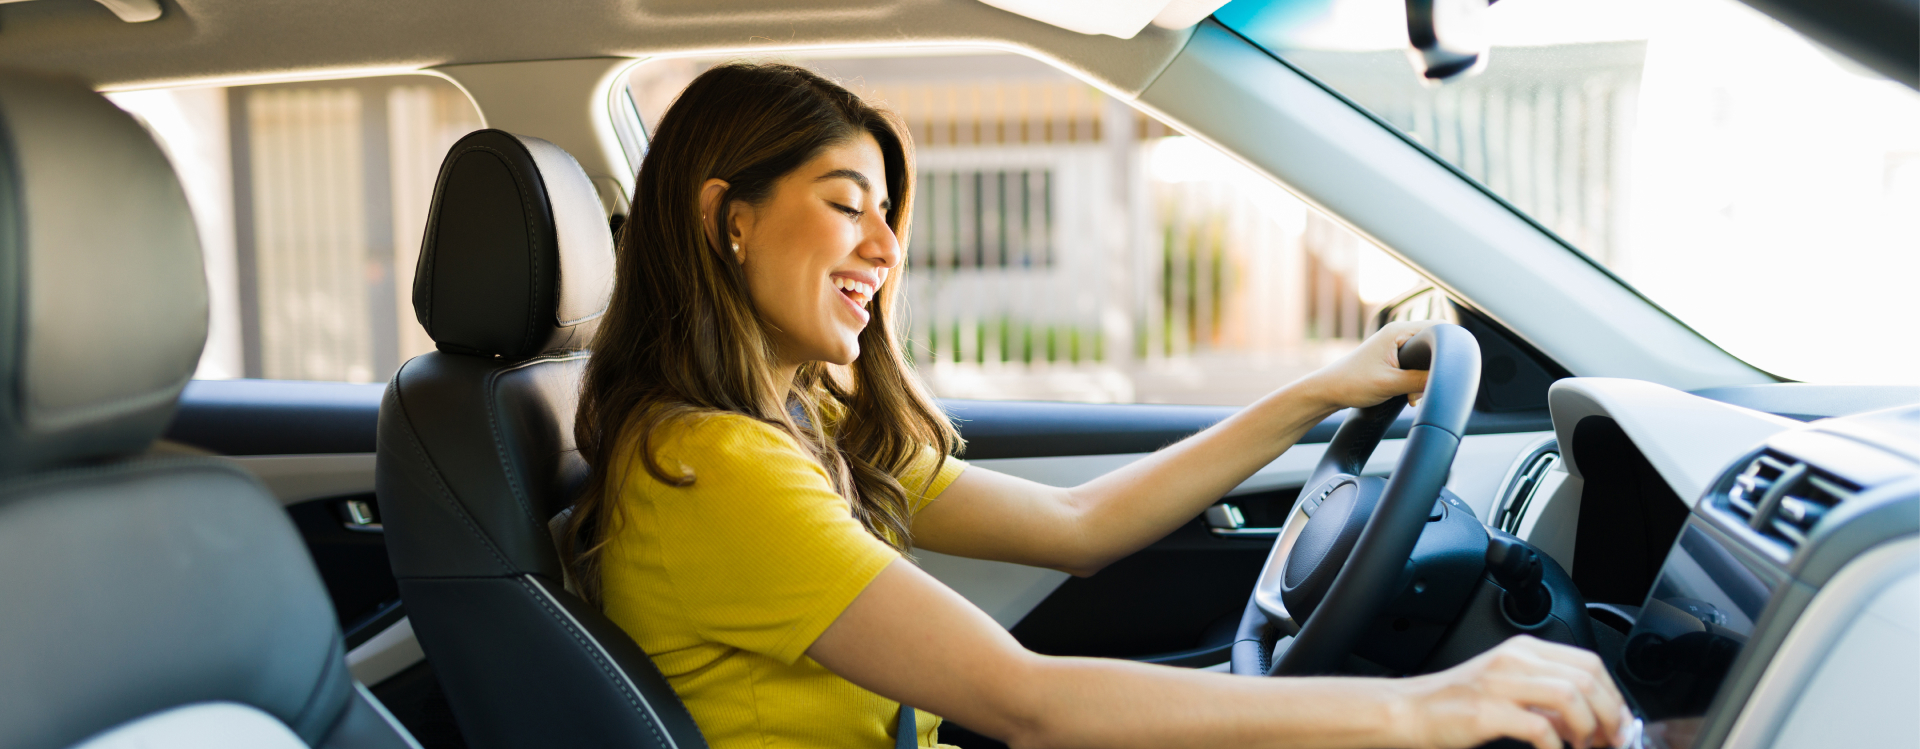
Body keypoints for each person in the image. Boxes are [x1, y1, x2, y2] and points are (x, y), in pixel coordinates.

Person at [563, 61, 1631, 749]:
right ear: (729, 219)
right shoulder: (712, 464)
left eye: (887, 215)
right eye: (847, 208)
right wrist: (1425, 707)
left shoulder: (797, 428)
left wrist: (1316, 391)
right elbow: (1026, 700)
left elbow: (1080, 527)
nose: (886, 252)